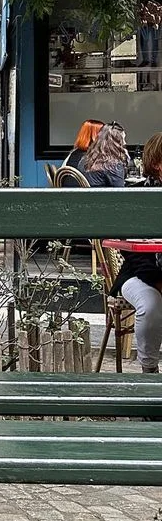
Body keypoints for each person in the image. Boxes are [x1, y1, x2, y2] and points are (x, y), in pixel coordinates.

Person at [112, 131, 162, 373]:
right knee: (151, 304)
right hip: (137, 275)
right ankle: (149, 371)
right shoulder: (138, 197)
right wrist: (158, 280)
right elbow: (133, 252)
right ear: (156, 163)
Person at [77, 121, 129, 187]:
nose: (124, 143)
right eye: (122, 140)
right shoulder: (114, 164)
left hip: (86, 196)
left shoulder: (84, 160)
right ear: (115, 143)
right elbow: (120, 192)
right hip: (105, 197)